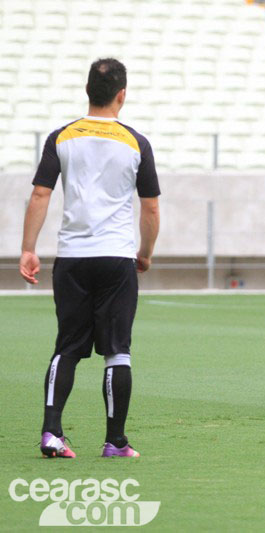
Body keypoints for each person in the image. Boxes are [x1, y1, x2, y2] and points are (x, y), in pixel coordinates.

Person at [20, 58, 160, 458]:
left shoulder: (61, 137)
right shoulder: (136, 142)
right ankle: (115, 441)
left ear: (87, 92)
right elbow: (149, 208)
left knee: (67, 346)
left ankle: (51, 433)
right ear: (122, 94)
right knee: (117, 351)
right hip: (116, 258)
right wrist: (145, 254)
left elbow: (41, 194)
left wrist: (29, 247)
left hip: (73, 258)